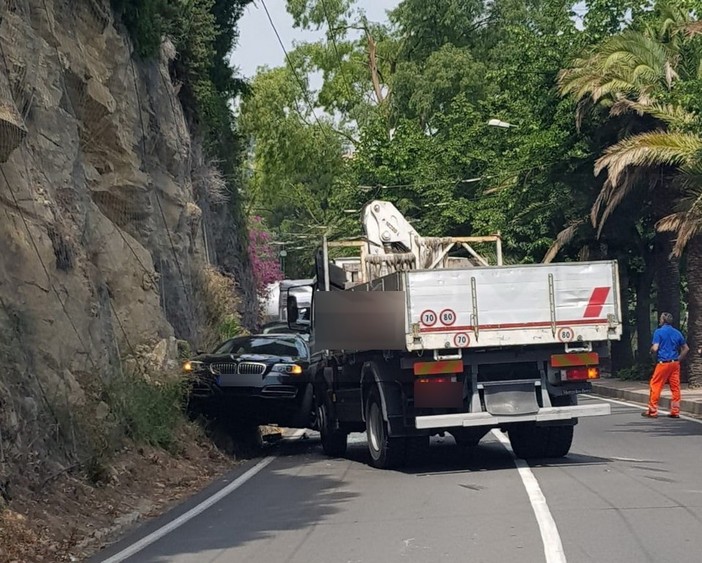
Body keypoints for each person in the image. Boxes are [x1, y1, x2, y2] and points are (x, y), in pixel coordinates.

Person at [642, 312, 689, 419]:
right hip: (674, 363)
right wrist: (679, 359)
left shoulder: (659, 332)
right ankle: (675, 411)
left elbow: (655, 348)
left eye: (660, 319)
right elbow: (686, 348)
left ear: (663, 320)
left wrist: (651, 351)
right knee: (675, 387)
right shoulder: (677, 333)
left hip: (663, 363)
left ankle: (653, 411)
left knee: (655, 385)